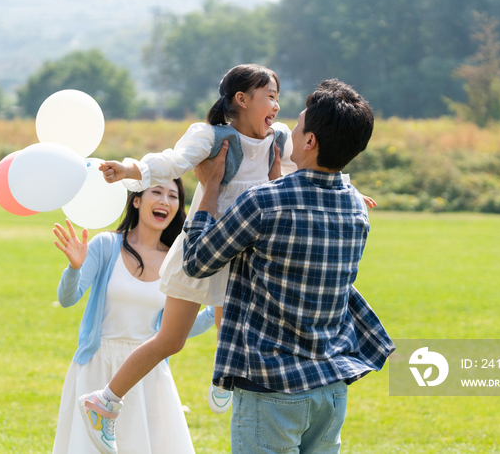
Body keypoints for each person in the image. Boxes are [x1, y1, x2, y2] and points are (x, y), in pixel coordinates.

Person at [80, 65, 375, 454]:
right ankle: (107, 401)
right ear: (241, 99)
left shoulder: (280, 137)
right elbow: (172, 162)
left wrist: (346, 191)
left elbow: (318, 162)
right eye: (270, 96)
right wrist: (130, 169)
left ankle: (224, 378)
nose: (278, 106)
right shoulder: (212, 137)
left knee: (229, 323)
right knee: (171, 339)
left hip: (250, 249)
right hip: (212, 241)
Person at [182, 79, 395, 453]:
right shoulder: (356, 206)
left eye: (298, 125)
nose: (289, 131)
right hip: (330, 387)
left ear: (310, 142)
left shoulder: (263, 201)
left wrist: (210, 188)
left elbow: (197, 262)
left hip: (271, 389)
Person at [51, 179, 213, 454]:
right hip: (97, 365)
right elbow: (68, 298)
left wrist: (215, 311)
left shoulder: (177, 260)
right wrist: (74, 268)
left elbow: (175, 330)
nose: (165, 201)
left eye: (173, 196)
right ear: (136, 200)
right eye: (157, 192)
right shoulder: (106, 245)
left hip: (148, 369)